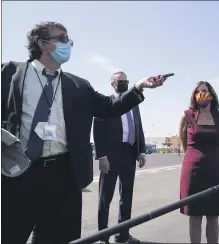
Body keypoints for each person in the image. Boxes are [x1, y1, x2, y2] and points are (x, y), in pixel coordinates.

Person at [1, 21, 171, 244]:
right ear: (43, 44)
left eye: (68, 39)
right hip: (19, 173)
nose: (68, 43)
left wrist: (138, 88)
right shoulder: (10, 73)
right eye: (62, 38)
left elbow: (109, 107)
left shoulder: (78, 86)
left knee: (59, 238)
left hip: (64, 177)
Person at [93, 71, 146, 244]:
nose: (123, 84)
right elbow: (98, 131)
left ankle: (123, 234)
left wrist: (141, 151)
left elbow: (138, 128)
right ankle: (103, 236)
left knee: (127, 196)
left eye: (126, 81)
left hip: (129, 153)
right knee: (105, 197)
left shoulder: (133, 104)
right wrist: (101, 156)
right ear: (112, 84)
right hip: (111, 156)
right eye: (120, 81)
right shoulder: (107, 103)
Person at [178, 81, 219, 244]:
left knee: (213, 216)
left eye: (205, 91)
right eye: (198, 92)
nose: (202, 94)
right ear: (194, 96)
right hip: (193, 171)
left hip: (215, 169)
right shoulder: (186, 116)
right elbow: (185, 143)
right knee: (195, 215)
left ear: (212, 94)